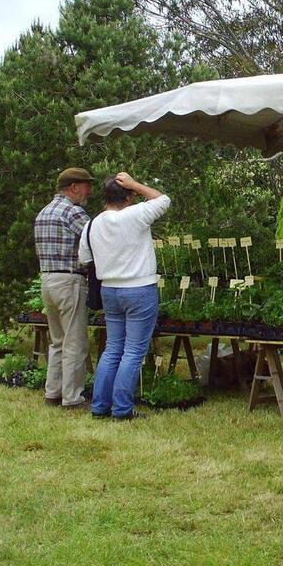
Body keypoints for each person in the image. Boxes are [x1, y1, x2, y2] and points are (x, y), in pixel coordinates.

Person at [79, 172, 170, 420]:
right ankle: (121, 409)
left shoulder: (92, 224)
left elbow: (85, 259)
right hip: (139, 288)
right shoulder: (135, 215)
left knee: (113, 349)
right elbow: (163, 200)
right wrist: (135, 184)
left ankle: (99, 407)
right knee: (133, 352)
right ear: (128, 196)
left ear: (105, 197)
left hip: (109, 289)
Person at [34, 167, 94, 408]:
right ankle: (72, 397)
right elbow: (96, 238)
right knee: (74, 342)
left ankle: (53, 392)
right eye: (87, 185)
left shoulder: (43, 212)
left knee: (57, 341)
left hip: (47, 280)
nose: (89, 190)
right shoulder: (73, 212)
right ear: (74, 187)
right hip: (69, 280)